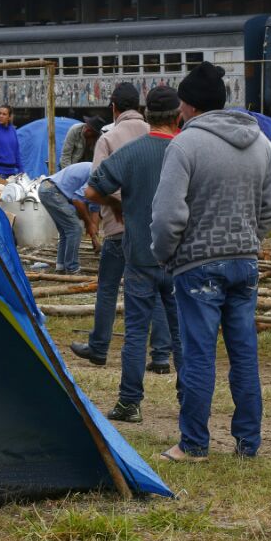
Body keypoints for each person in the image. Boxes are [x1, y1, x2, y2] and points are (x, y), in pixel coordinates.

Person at [150, 62, 271, 461]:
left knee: (198, 356)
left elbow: (167, 215)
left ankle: (193, 444)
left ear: (189, 106)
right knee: (244, 354)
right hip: (245, 263)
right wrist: (249, 239)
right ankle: (248, 443)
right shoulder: (258, 142)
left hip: (198, 265)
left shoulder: (185, 145)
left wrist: (165, 254)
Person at [85, 88, 187, 424]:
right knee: (182, 333)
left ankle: (130, 403)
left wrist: (116, 204)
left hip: (141, 253)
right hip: (180, 258)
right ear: (178, 116)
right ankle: (188, 399)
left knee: (135, 333)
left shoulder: (131, 151)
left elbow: (91, 190)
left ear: (148, 112)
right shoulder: (187, 149)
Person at [69, 84, 173, 375]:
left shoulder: (108, 138)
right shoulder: (157, 135)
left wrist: (118, 206)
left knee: (108, 287)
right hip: (154, 228)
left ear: (113, 106)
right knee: (157, 290)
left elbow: (96, 185)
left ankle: (99, 347)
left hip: (118, 227)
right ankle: (161, 355)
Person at [37, 161, 99, 275]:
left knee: (66, 231)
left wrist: (95, 238)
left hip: (47, 188)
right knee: (75, 229)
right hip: (52, 190)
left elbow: (94, 210)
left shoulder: (101, 183)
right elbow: (77, 200)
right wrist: (89, 223)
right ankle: (72, 268)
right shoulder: (98, 174)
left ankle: (61, 266)